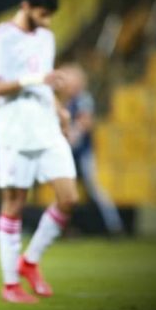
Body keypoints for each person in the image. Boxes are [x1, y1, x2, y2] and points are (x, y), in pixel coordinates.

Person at [0, 0, 79, 304]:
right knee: (15, 204)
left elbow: (45, 84)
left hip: (47, 127)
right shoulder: (0, 38)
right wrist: (35, 79)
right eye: (42, 14)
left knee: (68, 198)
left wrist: (60, 111)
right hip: (14, 132)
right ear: (25, 7)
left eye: (50, 15)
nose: (47, 21)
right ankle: (10, 285)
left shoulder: (46, 38)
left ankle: (30, 261)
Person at [56, 63, 124, 236]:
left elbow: (86, 122)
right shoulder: (65, 101)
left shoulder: (83, 99)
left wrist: (71, 135)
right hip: (69, 155)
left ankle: (115, 227)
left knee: (95, 190)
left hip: (83, 154)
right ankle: (65, 228)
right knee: (65, 193)